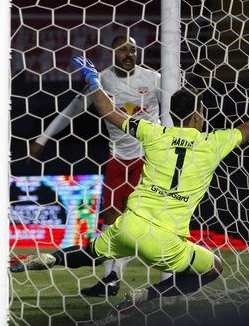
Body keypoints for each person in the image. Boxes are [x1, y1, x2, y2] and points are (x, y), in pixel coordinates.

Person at [11, 56, 249, 312]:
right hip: (165, 239)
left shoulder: (153, 133)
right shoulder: (212, 143)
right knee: (213, 267)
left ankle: (52, 259)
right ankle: (148, 295)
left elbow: (106, 110)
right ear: (198, 117)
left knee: (92, 252)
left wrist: (94, 81)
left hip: (131, 225)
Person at [28, 35, 173, 297]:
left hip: (150, 158)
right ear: (111, 53)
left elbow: (175, 106)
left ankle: (170, 274)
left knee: (147, 220)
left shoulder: (153, 79)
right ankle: (111, 278)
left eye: (133, 49)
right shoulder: (103, 80)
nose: (128, 54)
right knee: (109, 218)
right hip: (117, 159)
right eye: (122, 50)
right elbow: (72, 110)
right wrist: (42, 139)